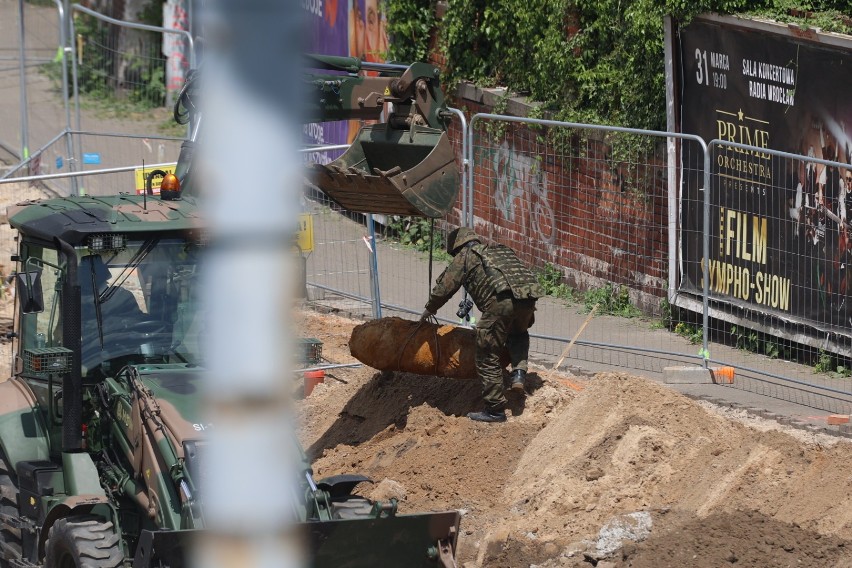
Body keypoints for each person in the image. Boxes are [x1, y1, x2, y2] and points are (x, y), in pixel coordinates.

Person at [421, 227, 543, 423]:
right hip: (527, 301)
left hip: (501, 303)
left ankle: (495, 409)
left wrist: (429, 309)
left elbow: (445, 287)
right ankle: (519, 374)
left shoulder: (465, 256)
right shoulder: (498, 251)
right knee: (518, 333)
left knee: (486, 353)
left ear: (457, 247)